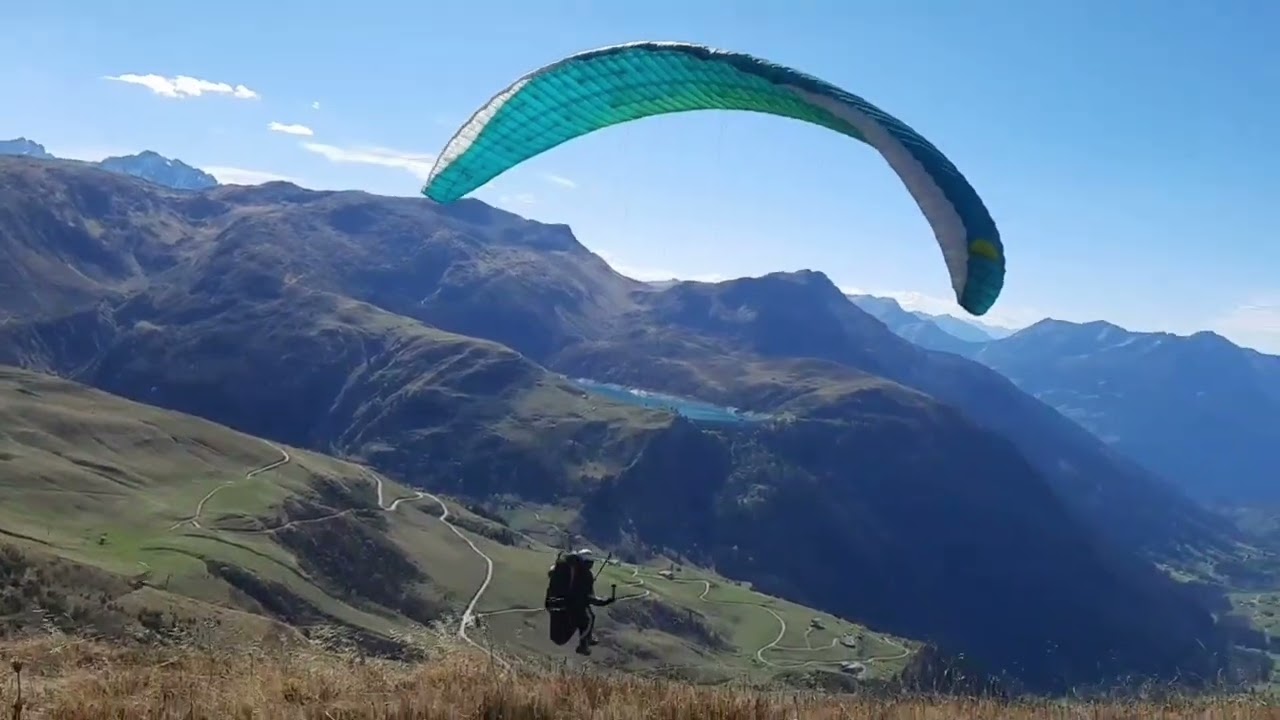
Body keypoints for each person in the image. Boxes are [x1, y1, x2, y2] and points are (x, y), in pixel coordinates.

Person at [546, 549, 616, 655]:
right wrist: (604, 601)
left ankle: (587, 638)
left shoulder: (565, 568)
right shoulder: (584, 575)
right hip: (570, 605)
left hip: (552, 602)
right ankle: (584, 644)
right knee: (589, 618)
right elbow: (588, 597)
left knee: (561, 634)